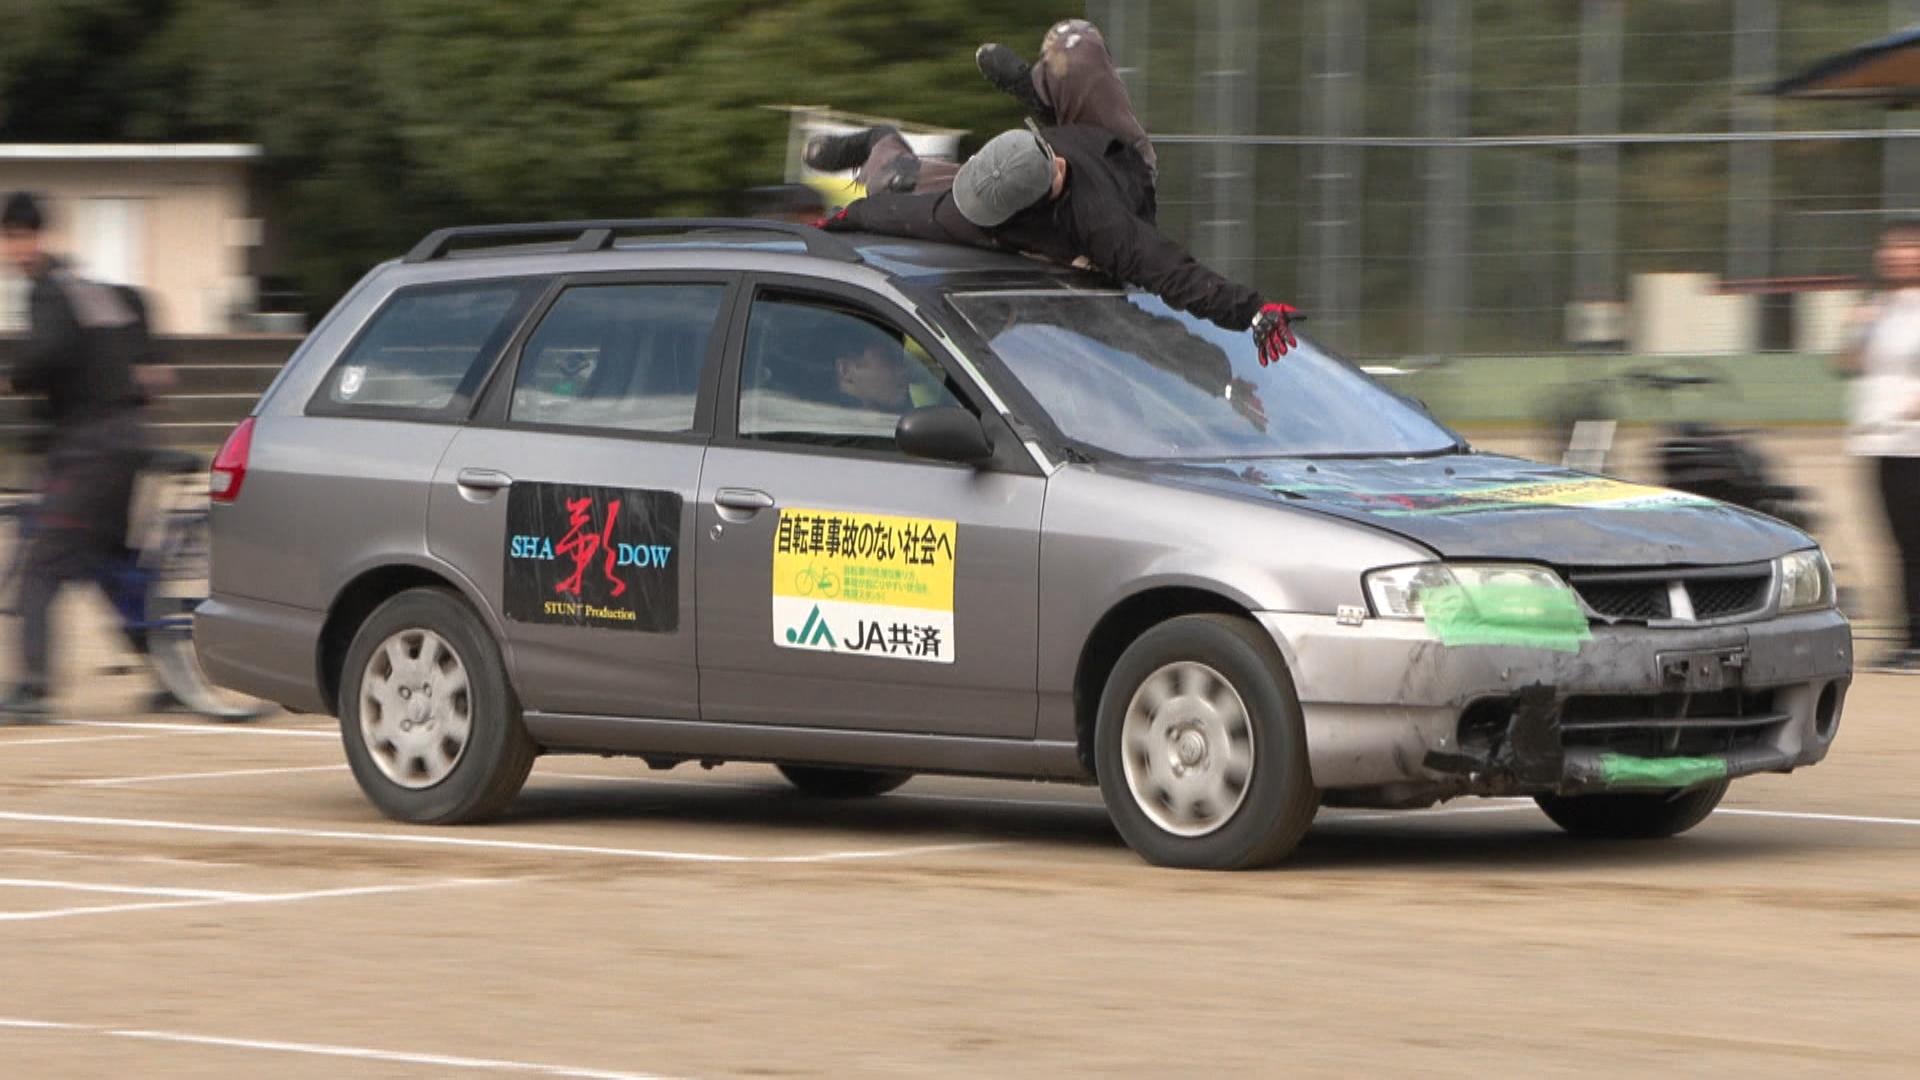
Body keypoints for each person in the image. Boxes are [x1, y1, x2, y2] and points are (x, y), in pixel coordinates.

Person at [803, 18, 1299, 367]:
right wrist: (1250, 310)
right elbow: (1173, 272)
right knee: (894, 180)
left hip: (1080, 160)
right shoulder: (1006, 213)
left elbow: (890, 214)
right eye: (1053, 168)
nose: (1056, 160)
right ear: (1052, 179)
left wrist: (836, 222)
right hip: (1077, 176)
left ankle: (1040, 88)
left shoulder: (1083, 221)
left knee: (1074, 44)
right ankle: (881, 138)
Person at [0, 191, 155, 717]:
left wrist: (14, 375)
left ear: (34, 237)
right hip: (125, 441)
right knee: (107, 564)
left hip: (90, 448)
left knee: (41, 565)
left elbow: (43, 354)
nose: (15, 248)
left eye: (19, 237)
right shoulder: (89, 286)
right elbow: (139, 314)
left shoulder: (48, 293)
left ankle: (34, 689)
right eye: (11, 238)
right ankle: (170, 674)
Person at [1840, 218, 1920, 674]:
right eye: (1892, 249)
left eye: (1909, 248)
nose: (1898, 256)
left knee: (1915, 545)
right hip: (1879, 441)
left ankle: (1917, 643)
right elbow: (1848, 363)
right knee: (1896, 544)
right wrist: (1859, 327)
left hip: (1915, 444)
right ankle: (1908, 637)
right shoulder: (1879, 307)